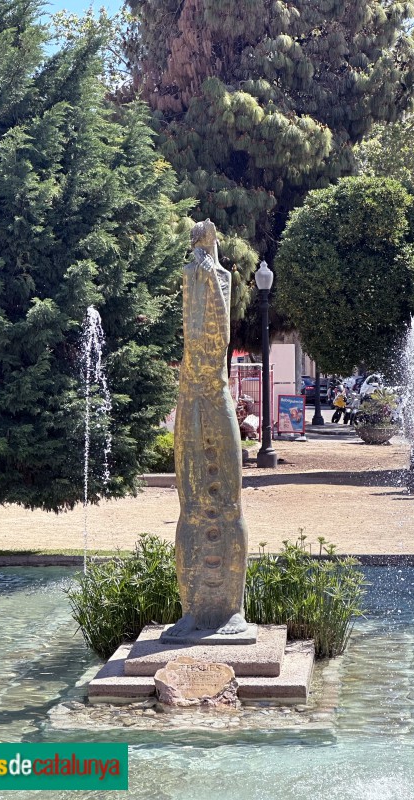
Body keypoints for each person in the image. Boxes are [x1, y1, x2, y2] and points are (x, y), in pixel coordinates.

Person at [167, 219, 249, 638]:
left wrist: (209, 281)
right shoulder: (191, 275)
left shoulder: (218, 277)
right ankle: (193, 611)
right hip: (190, 397)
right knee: (191, 507)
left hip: (214, 398)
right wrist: (196, 278)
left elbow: (217, 339)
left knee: (228, 504)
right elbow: (193, 340)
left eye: (203, 240)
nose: (199, 246)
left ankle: (230, 611)